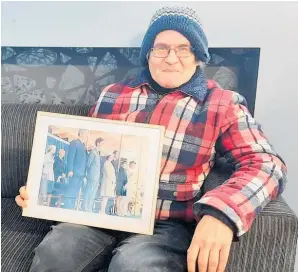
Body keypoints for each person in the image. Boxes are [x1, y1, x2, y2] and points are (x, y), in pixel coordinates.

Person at [15, 6, 287, 272]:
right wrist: (43, 189)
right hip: (97, 213)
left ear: (198, 56)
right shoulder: (112, 94)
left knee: (135, 264)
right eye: (161, 48)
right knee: (58, 250)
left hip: (166, 225)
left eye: (184, 48)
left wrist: (222, 213)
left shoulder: (222, 104)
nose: (171, 58)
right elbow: (85, 154)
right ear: (148, 54)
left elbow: (267, 164)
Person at [63, 129, 88, 210]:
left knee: (76, 191)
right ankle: (67, 207)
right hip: (74, 172)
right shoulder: (74, 143)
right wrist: (70, 170)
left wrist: (84, 174)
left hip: (80, 174)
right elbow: (70, 157)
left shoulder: (83, 146)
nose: (86, 135)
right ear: (80, 133)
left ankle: (71, 207)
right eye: (85, 133)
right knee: (71, 190)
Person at [83, 137, 105, 212]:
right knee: (88, 192)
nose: (103, 145)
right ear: (98, 143)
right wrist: (87, 175)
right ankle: (85, 207)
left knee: (93, 194)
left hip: (97, 177)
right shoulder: (93, 152)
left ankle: (89, 207)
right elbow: (88, 164)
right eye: (102, 143)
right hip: (91, 177)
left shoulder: (99, 153)